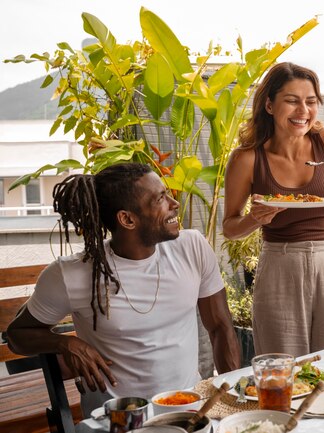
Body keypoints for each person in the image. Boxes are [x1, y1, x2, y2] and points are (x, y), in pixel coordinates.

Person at [6, 163, 240, 414]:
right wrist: (67, 344)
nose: (174, 203)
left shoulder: (192, 247)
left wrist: (234, 404)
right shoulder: (70, 273)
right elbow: (17, 336)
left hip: (189, 412)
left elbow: (220, 326)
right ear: (127, 219)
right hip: (116, 419)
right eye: (160, 198)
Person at [222, 62, 324, 357]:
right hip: (279, 264)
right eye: (291, 100)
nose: (303, 110)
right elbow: (230, 227)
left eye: (310, 101)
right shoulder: (247, 158)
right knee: (283, 365)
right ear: (269, 105)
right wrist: (254, 218)